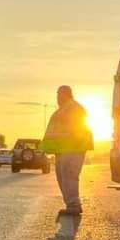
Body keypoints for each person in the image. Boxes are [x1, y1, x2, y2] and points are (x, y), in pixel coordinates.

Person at [41, 85, 94, 216]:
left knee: (69, 176)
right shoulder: (64, 109)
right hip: (63, 150)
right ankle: (71, 204)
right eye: (57, 95)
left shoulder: (74, 108)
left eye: (60, 94)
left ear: (67, 94)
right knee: (62, 177)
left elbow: (77, 129)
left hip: (73, 149)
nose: (58, 98)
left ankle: (73, 205)